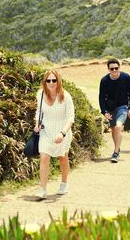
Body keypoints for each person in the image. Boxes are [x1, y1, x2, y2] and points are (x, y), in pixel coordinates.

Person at [34, 70, 75, 199]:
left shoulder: (65, 96)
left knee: (63, 158)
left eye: (54, 80)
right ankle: (43, 189)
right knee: (44, 157)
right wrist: (37, 124)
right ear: (44, 82)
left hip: (62, 131)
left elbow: (70, 118)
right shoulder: (40, 94)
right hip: (46, 131)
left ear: (58, 81)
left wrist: (62, 134)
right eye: (48, 80)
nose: (51, 83)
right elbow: (39, 112)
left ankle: (64, 183)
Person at [99, 59, 130, 163]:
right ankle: (117, 148)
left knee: (119, 127)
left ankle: (115, 153)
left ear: (119, 67)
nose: (114, 70)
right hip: (110, 108)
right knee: (114, 129)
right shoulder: (104, 80)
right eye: (112, 68)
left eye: (116, 68)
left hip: (122, 106)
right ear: (108, 69)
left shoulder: (126, 77)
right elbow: (101, 97)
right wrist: (104, 111)